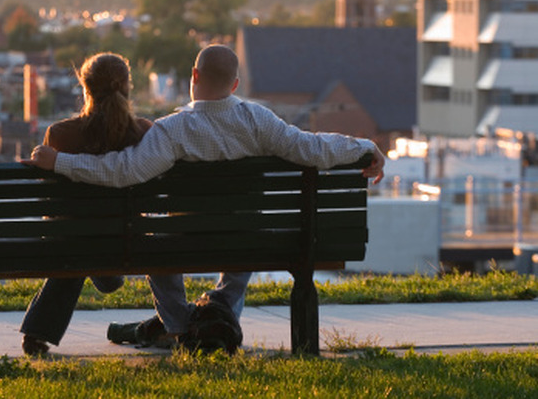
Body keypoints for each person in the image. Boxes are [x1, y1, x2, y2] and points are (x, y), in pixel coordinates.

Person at [24, 44, 385, 349]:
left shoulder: (171, 130)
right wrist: (366, 148)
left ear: (194, 77)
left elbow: (122, 171)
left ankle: (181, 327)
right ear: (236, 84)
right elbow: (313, 149)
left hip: (183, 245)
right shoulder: (260, 121)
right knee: (245, 235)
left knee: (156, 248)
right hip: (246, 243)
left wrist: (61, 163)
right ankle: (218, 313)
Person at [20, 52, 153, 355]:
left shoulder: (61, 135)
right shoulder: (144, 133)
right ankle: (106, 271)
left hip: (74, 242)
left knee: (77, 241)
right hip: (129, 241)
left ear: (85, 88)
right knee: (92, 241)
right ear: (127, 86)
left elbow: (50, 203)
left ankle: (38, 333)